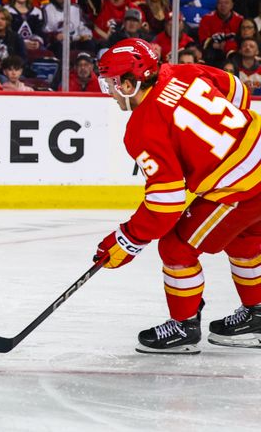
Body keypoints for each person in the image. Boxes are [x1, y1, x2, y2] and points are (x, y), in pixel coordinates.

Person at [95, 37, 261, 353]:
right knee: (245, 240)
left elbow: (166, 201)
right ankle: (257, 316)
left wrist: (127, 240)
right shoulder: (181, 72)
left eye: (113, 84)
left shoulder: (142, 127)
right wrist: (224, 141)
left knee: (177, 247)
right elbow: (237, 90)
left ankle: (184, 327)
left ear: (130, 82)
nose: (111, 93)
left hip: (244, 188)